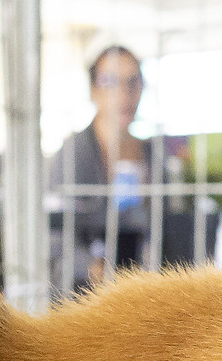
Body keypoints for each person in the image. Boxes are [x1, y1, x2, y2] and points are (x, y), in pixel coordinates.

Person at [48, 45, 150, 288]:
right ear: (94, 91)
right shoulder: (72, 155)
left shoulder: (153, 155)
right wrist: (92, 269)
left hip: (142, 288)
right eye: (111, 82)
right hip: (83, 295)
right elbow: (53, 236)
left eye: (132, 82)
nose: (124, 94)